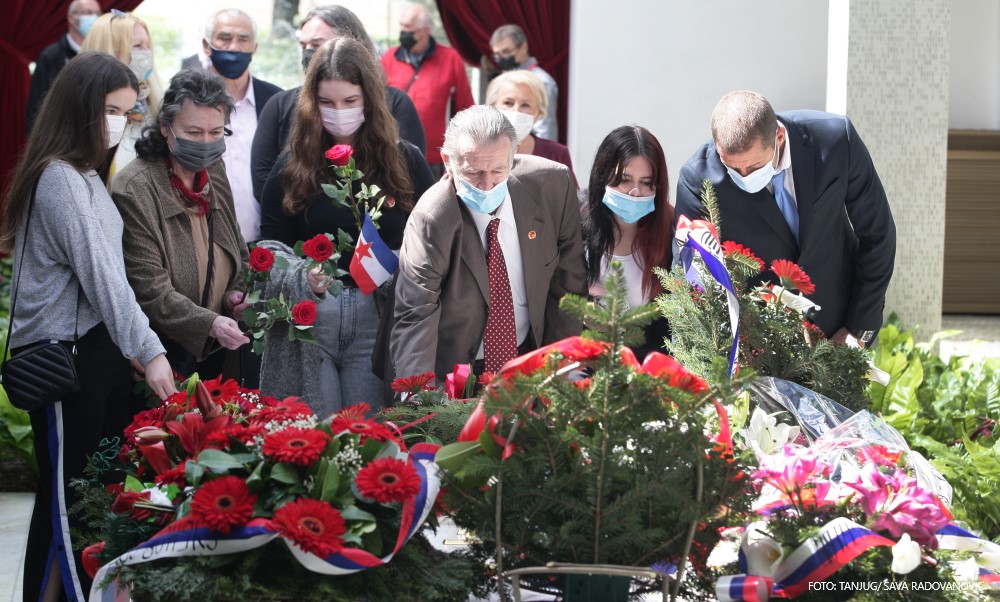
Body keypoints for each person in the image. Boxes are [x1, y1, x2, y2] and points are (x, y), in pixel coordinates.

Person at [1, 51, 176, 602]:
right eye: (109, 110)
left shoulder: (85, 177)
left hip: (92, 357)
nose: (118, 123)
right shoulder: (59, 178)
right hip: (63, 362)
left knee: (80, 502)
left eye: (127, 112)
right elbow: (103, 278)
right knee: (67, 504)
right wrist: (149, 350)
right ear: (79, 108)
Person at [259, 38, 434, 416]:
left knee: (367, 439)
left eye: (350, 102)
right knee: (316, 440)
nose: (338, 113)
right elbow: (269, 248)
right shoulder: (293, 164)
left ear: (370, 99)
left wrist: (397, 263)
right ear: (312, 103)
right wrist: (302, 274)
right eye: (327, 103)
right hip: (311, 324)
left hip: (380, 320)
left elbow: (434, 240)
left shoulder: (406, 160)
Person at [675, 90, 896, 346]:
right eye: (733, 168)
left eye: (755, 167)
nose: (745, 176)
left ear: (779, 137)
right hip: (758, 344)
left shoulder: (836, 141)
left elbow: (877, 234)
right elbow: (693, 274)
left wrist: (858, 328)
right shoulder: (697, 179)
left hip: (841, 329)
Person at [390, 105, 586, 384]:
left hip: (531, 355)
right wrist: (420, 398)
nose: (486, 185)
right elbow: (415, 315)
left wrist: (559, 370)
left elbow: (569, 282)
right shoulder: (432, 219)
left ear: (513, 157)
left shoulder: (552, 186)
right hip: (457, 369)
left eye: (497, 170)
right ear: (448, 161)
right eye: (473, 172)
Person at [110, 69, 250, 382]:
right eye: (194, 132)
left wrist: (234, 293)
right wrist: (209, 322)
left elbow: (235, 243)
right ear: (165, 128)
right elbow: (149, 287)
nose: (206, 143)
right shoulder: (134, 188)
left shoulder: (214, 168)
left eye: (216, 133)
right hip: (163, 355)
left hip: (219, 348)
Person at [250, 5, 426, 201]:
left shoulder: (396, 102)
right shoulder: (279, 105)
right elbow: (266, 187)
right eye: (303, 46)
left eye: (318, 46)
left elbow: (410, 179)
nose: (309, 54)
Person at [582, 126, 673, 360]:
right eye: (624, 180)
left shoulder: (671, 233)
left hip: (646, 374)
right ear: (603, 176)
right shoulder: (575, 226)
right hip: (582, 366)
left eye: (646, 182)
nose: (635, 192)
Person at [202, 8, 282, 243]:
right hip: (204, 243)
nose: (234, 47)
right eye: (224, 38)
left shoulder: (275, 102)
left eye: (243, 39)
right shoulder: (187, 103)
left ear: (254, 48)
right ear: (207, 45)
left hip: (263, 244)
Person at [381, 3, 475, 178]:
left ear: (424, 31)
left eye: (408, 27)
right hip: (392, 151)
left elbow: (465, 107)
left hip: (436, 156)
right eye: (401, 25)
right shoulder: (389, 58)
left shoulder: (450, 58)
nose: (402, 31)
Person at [81, 9, 165, 176]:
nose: (146, 53)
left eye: (147, 46)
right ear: (109, 50)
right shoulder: (86, 118)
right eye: (137, 46)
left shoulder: (154, 107)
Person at [485, 69, 576, 186]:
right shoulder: (477, 151)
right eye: (508, 103)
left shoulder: (556, 154)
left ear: (538, 113)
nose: (516, 111)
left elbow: (572, 200)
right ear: (493, 106)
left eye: (525, 105)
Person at [25, 0, 102, 132]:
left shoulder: (104, 54)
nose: (94, 18)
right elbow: (35, 108)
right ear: (71, 18)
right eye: (88, 13)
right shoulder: (51, 56)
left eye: (97, 14)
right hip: (58, 138)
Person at [489, 24, 558, 141]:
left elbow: (545, 127)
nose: (501, 58)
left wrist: (542, 157)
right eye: (497, 54)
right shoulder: (503, 79)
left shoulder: (542, 80)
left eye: (506, 51)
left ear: (523, 48)